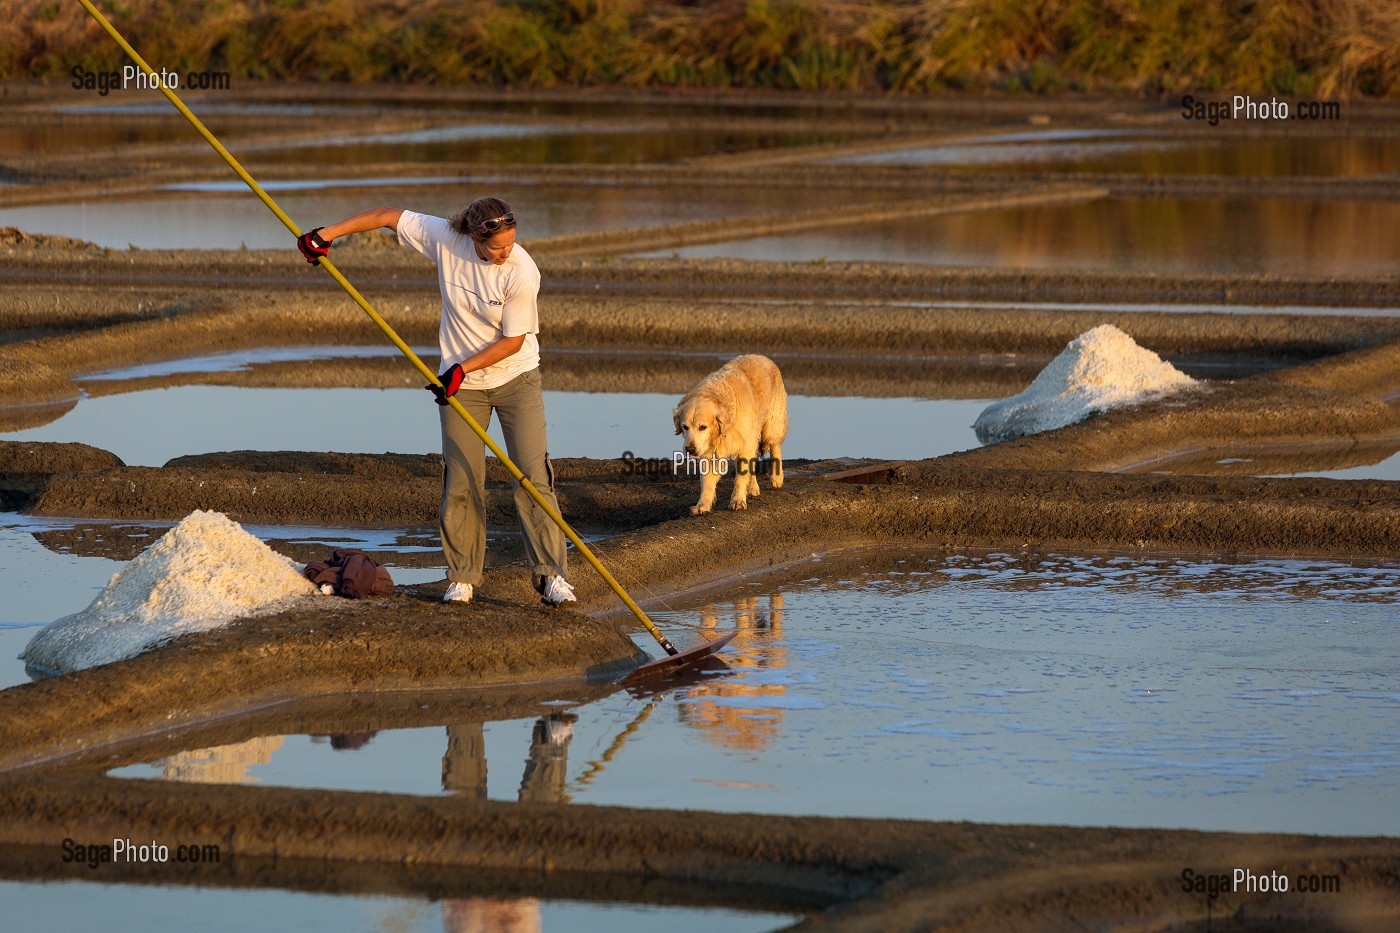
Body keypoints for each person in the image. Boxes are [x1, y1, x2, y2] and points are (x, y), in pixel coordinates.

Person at [297, 197, 575, 606]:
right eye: (498, 246)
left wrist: (462, 369)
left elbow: (513, 342)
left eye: (511, 243)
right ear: (475, 238)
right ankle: (462, 577)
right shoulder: (446, 238)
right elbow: (386, 216)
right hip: (459, 385)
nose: (506, 251)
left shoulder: (522, 271)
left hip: (515, 379)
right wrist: (325, 235)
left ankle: (552, 577)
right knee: (462, 481)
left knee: (533, 477)